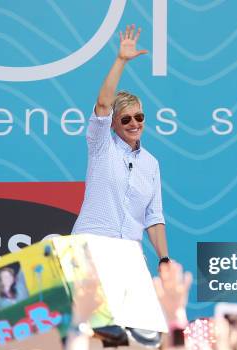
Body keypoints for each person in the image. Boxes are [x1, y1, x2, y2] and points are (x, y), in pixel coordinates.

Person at [72, 24, 169, 266]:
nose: (134, 123)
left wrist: (164, 259)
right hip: (90, 252)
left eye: (139, 117)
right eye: (125, 119)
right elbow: (103, 105)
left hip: (129, 257)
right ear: (113, 124)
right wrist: (121, 60)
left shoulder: (151, 163)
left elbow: (154, 217)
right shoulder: (101, 146)